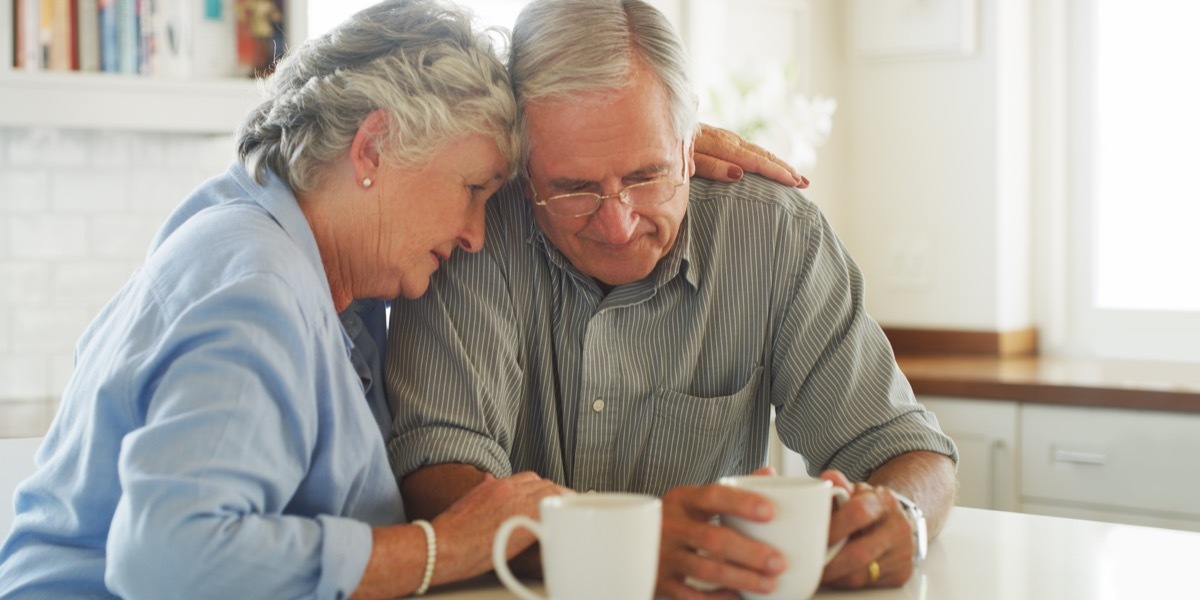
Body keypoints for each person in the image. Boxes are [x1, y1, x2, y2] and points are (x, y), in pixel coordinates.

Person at [384, 1, 958, 599]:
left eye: (646, 175)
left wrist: (905, 518)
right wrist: (616, 549)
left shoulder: (777, 238)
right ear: (523, 171)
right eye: (573, 188)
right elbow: (436, 471)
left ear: (691, 147)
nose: (617, 225)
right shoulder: (472, 235)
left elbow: (905, 448)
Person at [0, 2, 575, 598]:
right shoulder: (258, 286)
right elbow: (170, 559)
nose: (475, 234)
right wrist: (448, 544)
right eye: (472, 189)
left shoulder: (290, 251)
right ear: (373, 148)